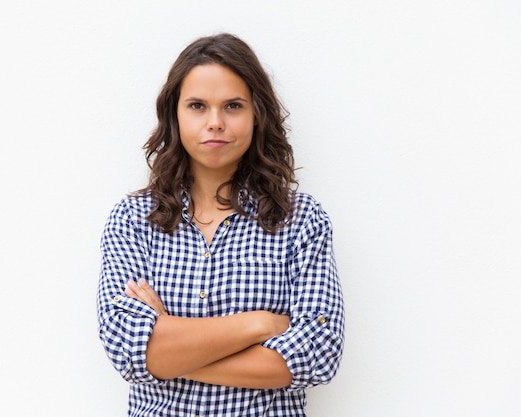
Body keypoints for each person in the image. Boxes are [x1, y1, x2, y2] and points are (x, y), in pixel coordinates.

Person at [97, 33, 345, 417]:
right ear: (174, 114)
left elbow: (317, 355)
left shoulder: (300, 220)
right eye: (197, 105)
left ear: (256, 114)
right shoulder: (132, 221)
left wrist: (168, 348)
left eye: (233, 106)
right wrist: (259, 324)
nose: (215, 122)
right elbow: (128, 350)